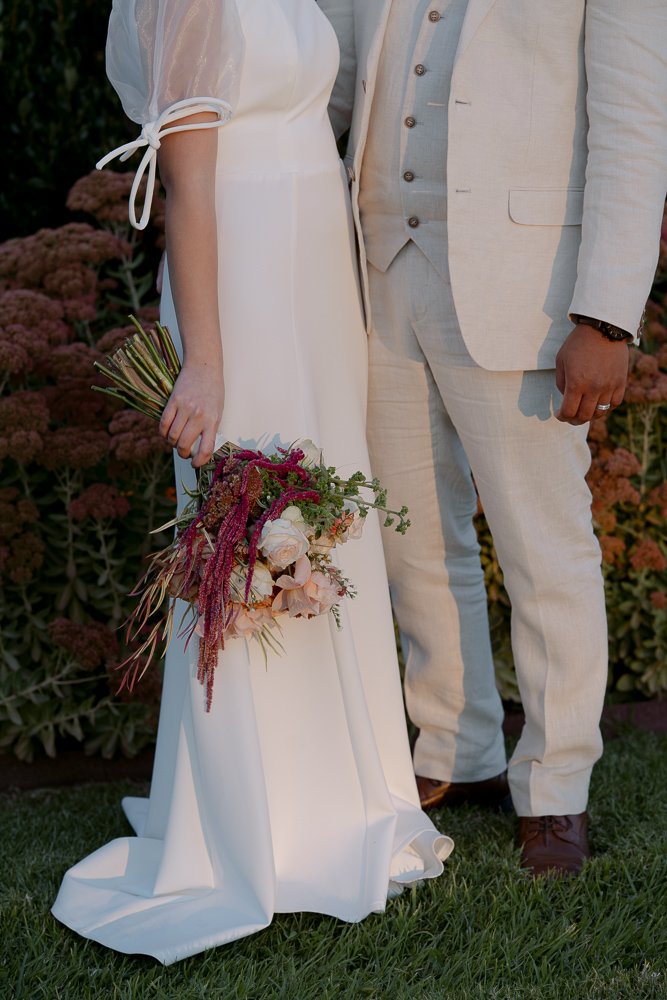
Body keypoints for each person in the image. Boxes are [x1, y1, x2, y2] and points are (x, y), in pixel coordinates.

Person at [51, 0, 452, 964]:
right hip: (243, 285)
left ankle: (345, 793)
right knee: (252, 528)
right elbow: (189, 186)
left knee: (328, 524)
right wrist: (208, 363)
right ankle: (254, 824)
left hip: (316, 274)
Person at [319, 0, 667, 876]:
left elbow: (633, 127)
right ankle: (454, 744)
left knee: (544, 549)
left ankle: (554, 788)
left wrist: (605, 317)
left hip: (529, 288)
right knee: (409, 530)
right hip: (371, 263)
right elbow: (327, 82)